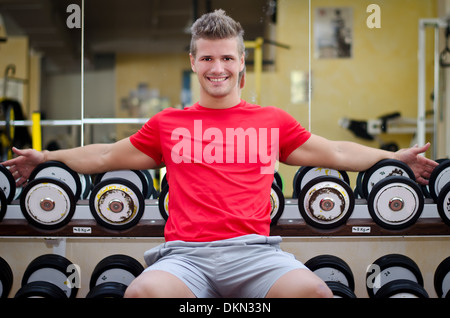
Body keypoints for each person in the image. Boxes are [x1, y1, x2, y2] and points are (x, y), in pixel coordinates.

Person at [2, 10, 438, 298]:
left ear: (241, 62)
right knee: (139, 294)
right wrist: (45, 159)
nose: (218, 68)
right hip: (186, 256)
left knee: (316, 293)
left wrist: (394, 158)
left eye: (227, 58)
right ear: (193, 61)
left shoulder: (272, 121)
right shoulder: (168, 124)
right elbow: (103, 157)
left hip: (255, 253)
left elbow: (337, 150)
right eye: (208, 57)